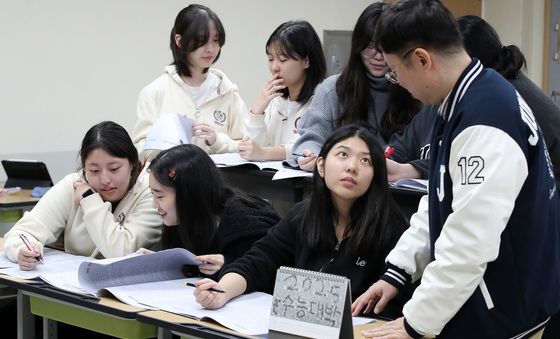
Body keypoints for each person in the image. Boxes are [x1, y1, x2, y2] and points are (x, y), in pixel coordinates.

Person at [352, 1, 560, 338]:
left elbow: (468, 242)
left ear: (422, 59)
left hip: (504, 310)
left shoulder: (487, 116)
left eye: (395, 71)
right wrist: (399, 271)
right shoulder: (467, 96)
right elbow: (441, 199)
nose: (397, 81)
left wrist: (415, 324)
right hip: (487, 299)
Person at [192, 124, 410, 319]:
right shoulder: (303, 215)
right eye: (343, 155)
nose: (352, 166)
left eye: (366, 160)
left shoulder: (392, 228)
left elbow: (397, 304)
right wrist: (221, 291)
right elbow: (259, 260)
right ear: (321, 166)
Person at [385, 15, 560, 185]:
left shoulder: (496, 102)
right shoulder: (450, 98)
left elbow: (476, 173)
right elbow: (402, 147)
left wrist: (413, 169)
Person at [4, 121, 163, 270]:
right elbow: (22, 232)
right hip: (74, 287)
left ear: (133, 164)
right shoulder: (74, 184)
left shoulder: (151, 192)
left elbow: (121, 252)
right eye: (94, 171)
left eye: (114, 169)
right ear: (84, 168)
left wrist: (89, 199)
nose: (105, 180)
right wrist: (24, 250)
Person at [288, 2, 421, 171]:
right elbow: (311, 140)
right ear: (357, 45)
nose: (377, 56)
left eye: (385, 47)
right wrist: (310, 155)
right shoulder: (332, 89)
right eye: (370, 46)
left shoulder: (416, 90)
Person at [132, 4, 247, 162]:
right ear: (179, 41)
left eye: (216, 40)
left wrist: (216, 141)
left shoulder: (227, 92)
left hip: (217, 184)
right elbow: (140, 150)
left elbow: (247, 147)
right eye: (201, 41)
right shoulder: (154, 92)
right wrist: (168, 145)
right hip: (169, 183)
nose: (211, 48)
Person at [147, 144, 280, 277]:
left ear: (189, 193)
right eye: (152, 194)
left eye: (159, 196)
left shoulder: (245, 221)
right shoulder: (182, 217)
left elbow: (271, 273)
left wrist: (229, 266)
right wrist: (163, 263)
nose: (154, 205)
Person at [239, 20, 326, 161]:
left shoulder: (322, 100)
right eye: (270, 59)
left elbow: (309, 147)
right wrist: (257, 111)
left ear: (306, 61)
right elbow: (251, 149)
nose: (274, 67)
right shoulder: (276, 101)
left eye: (283, 60)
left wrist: (264, 153)